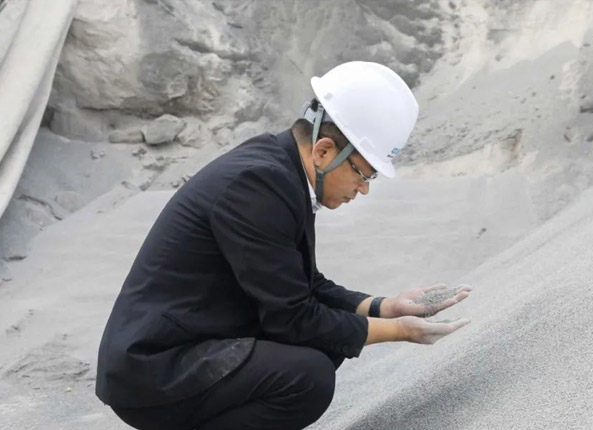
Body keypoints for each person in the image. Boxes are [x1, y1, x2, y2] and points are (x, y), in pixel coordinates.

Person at [95, 61, 472, 430]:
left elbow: (304, 285)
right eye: (363, 173)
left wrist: (384, 307)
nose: (363, 189)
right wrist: (400, 331)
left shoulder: (279, 170)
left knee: (326, 345)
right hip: (157, 366)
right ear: (324, 152)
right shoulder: (258, 185)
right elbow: (292, 318)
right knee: (308, 376)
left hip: (192, 347)